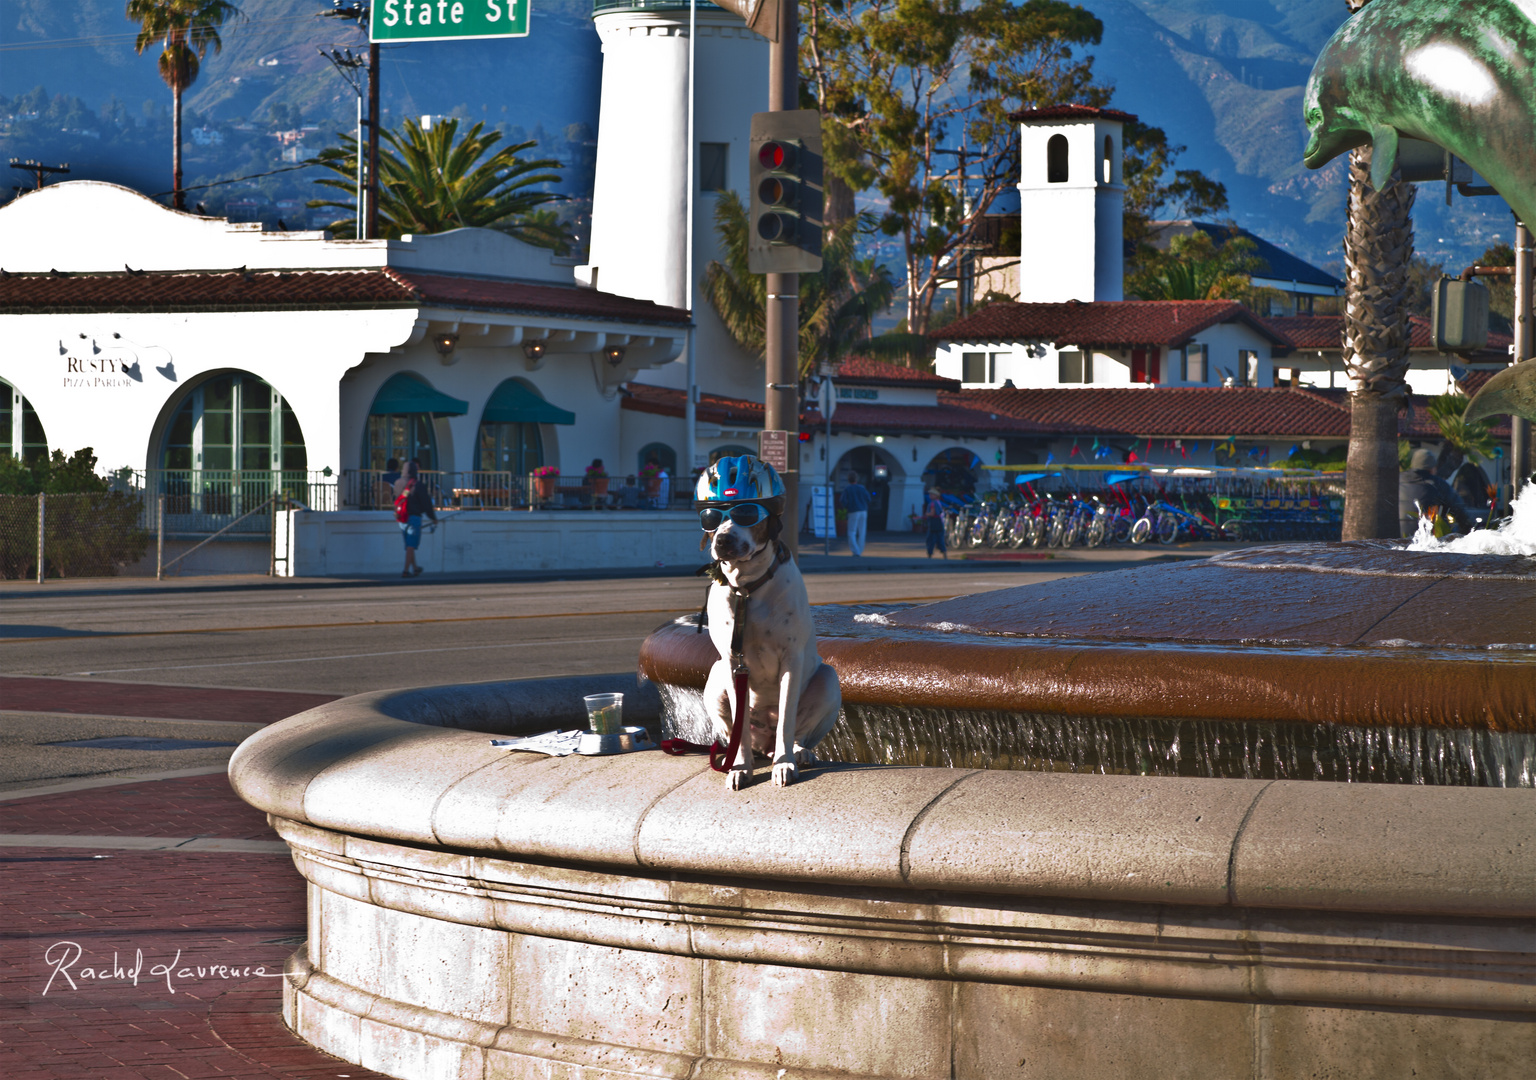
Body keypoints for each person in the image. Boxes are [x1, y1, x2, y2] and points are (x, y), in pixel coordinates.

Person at [1399, 447, 1477, 537]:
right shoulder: (1437, 484)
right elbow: (1461, 512)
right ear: (1432, 468)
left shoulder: (1398, 480)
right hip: (1426, 538)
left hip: (1397, 537)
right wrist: (1468, 533)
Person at [393, 459, 438, 577]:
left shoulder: (397, 483)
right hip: (414, 518)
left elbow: (395, 499)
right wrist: (433, 517)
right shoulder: (417, 484)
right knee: (411, 546)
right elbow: (426, 503)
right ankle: (406, 571)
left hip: (401, 518)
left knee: (409, 546)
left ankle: (416, 568)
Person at [841, 471, 871, 556]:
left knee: (851, 531)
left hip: (853, 511)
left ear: (848, 480)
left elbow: (843, 500)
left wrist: (847, 507)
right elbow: (868, 498)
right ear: (856, 479)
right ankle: (860, 549)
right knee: (862, 531)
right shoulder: (862, 488)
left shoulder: (847, 489)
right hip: (863, 510)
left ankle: (855, 550)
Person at [923, 488, 948, 559]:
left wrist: (927, 514)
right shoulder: (938, 502)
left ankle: (930, 554)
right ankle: (944, 553)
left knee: (931, 539)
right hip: (939, 523)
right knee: (940, 539)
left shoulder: (933, 503)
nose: (930, 495)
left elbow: (932, 513)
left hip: (933, 523)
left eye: (932, 494)